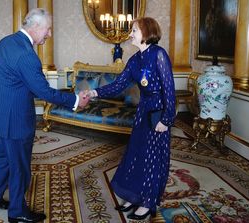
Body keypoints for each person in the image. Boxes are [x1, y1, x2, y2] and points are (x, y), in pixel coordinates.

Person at [0, 8, 89, 223]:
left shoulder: (4, 43)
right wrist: (76, 100)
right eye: (48, 29)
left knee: (3, 158)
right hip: (16, 122)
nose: (49, 35)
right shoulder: (26, 55)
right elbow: (43, 92)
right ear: (37, 26)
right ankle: (17, 212)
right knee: (19, 166)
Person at [86, 17, 176, 220]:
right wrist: (94, 93)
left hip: (158, 113)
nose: (130, 34)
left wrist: (167, 119)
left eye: (134, 30)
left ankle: (147, 201)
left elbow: (169, 90)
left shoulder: (159, 55)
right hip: (143, 111)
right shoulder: (134, 59)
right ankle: (134, 195)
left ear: (146, 32)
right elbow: (118, 85)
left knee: (152, 158)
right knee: (136, 153)